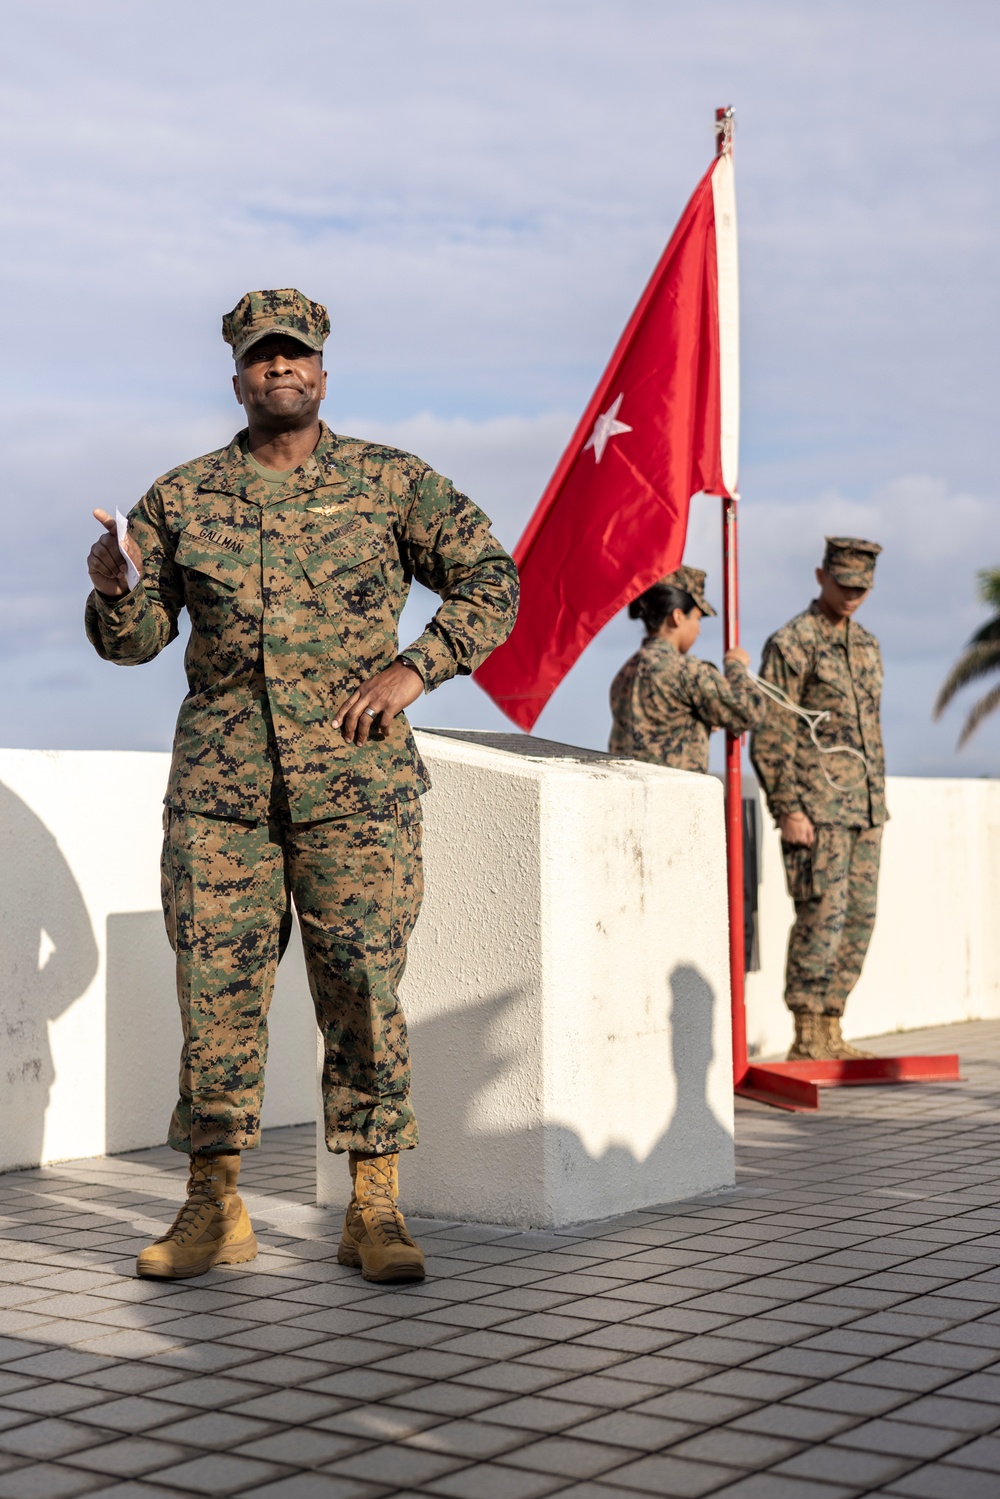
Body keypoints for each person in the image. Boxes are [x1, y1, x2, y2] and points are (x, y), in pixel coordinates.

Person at [85, 288, 519, 1283]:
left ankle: (375, 1208)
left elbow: (491, 576)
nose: (280, 368)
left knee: (363, 993)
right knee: (215, 997)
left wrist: (418, 666)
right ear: (235, 377)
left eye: (297, 354)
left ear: (323, 373)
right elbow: (137, 641)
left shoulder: (390, 483)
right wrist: (113, 588)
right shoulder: (182, 497)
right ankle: (213, 1206)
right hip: (221, 794)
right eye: (261, 356)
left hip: (356, 791)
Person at [750, 537, 885, 1062]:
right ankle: (807, 1036)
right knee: (820, 916)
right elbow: (771, 729)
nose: (853, 595)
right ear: (821, 576)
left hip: (866, 809)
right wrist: (788, 807)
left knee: (858, 918)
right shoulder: (792, 643)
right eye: (845, 584)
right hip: (816, 808)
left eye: (862, 587)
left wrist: (876, 804)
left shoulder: (868, 645)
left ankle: (832, 1027)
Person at [609, 566, 765, 772]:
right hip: (677, 798)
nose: (699, 629)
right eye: (697, 618)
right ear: (678, 617)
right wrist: (736, 667)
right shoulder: (687, 671)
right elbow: (749, 711)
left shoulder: (625, 672)